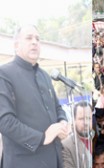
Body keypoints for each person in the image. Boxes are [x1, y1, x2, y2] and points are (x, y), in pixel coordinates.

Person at [0, 25, 68, 168]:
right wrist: (42, 138)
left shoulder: (44, 75)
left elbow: (57, 107)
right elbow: (5, 121)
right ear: (16, 45)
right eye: (29, 38)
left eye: (37, 39)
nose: (34, 42)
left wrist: (63, 122)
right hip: (24, 161)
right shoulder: (4, 74)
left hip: (53, 159)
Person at [62, 101, 93, 168]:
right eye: (81, 119)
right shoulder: (66, 146)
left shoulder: (97, 140)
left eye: (88, 118)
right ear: (74, 120)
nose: (85, 123)